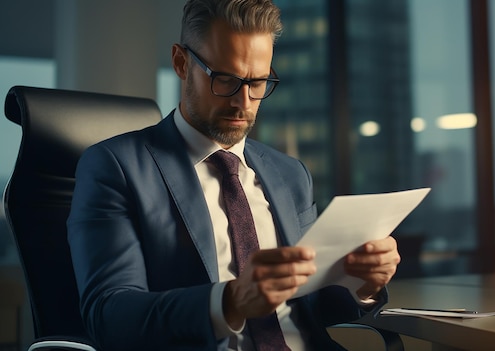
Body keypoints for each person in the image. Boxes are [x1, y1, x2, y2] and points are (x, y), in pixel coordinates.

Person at [67, 0, 400, 350]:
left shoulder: (291, 174)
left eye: (258, 82)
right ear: (181, 63)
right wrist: (229, 301)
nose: (243, 101)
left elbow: (312, 308)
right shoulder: (115, 167)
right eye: (225, 79)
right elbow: (108, 315)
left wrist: (362, 286)